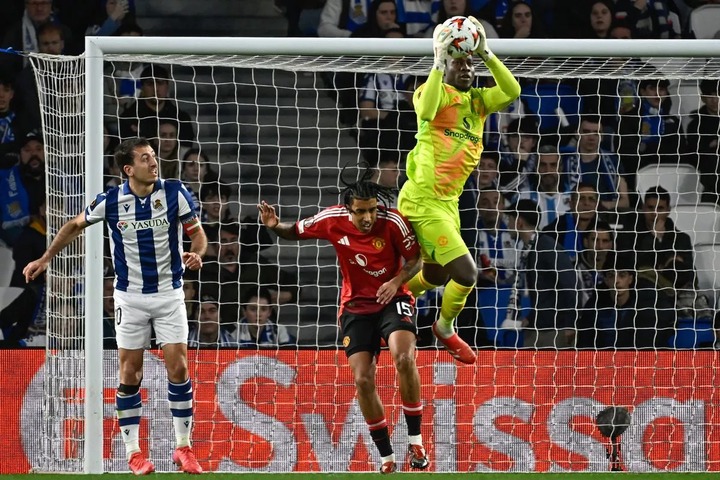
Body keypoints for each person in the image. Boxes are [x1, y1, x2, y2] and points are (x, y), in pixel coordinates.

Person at [22, 137, 207, 475]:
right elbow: (74, 226)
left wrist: (198, 251)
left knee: (178, 369)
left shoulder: (174, 192)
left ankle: (183, 448)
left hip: (169, 293)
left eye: (153, 157)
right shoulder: (111, 201)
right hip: (130, 298)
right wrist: (46, 258)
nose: (154, 163)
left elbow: (197, 233)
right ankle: (134, 453)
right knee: (130, 373)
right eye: (145, 158)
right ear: (128, 168)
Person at [258, 173, 428, 473]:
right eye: (361, 211)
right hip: (355, 307)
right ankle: (387, 457)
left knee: (403, 358)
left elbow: (416, 259)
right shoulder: (331, 219)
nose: (368, 217)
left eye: (373, 209)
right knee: (362, 379)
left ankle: (416, 441)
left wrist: (396, 280)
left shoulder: (394, 222)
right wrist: (275, 226)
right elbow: (295, 231)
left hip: (392, 299)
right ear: (348, 209)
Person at [397, 17, 520, 364]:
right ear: (445, 66)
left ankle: (397, 294)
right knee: (466, 273)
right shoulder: (432, 92)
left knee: (435, 274)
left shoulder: (478, 103)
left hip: (448, 203)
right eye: (459, 62)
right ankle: (445, 327)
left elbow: (512, 91)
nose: (466, 68)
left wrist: (486, 53)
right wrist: (438, 59)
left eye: (469, 64)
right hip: (423, 199)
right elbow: (425, 109)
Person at [505, 199, 578, 348]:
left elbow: (569, 283)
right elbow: (546, 293)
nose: (507, 225)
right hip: (540, 327)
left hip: (554, 330)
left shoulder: (546, 246)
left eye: (510, 220)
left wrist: (570, 324)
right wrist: (531, 318)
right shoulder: (530, 249)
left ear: (519, 222)